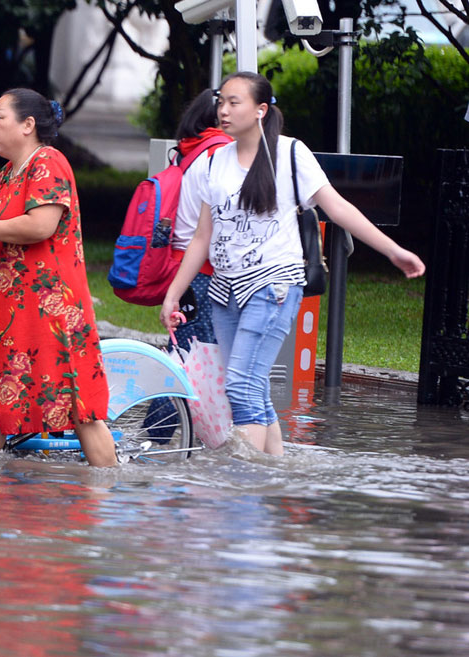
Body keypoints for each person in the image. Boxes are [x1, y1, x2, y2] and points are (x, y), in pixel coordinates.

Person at [160, 72, 425, 456]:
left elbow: (337, 208)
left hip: (273, 287)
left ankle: (240, 482)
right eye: (221, 102)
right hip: (224, 291)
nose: (223, 110)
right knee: (253, 383)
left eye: (234, 102)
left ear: (260, 110)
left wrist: (392, 251)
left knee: (240, 384)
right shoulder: (211, 163)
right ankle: (274, 470)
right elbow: (203, 236)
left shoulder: (291, 154)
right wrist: (173, 295)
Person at [0, 88, 118, 467]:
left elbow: (40, 224)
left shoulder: (49, 163)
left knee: (81, 409)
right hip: (15, 317)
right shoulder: (11, 171)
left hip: (52, 313)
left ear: (28, 124)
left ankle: (108, 495)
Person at [170, 88, 232, 350]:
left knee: (185, 345)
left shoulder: (184, 152)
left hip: (179, 263)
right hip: (203, 269)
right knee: (202, 353)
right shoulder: (220, 152)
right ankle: (166, 393)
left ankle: (167, 391)